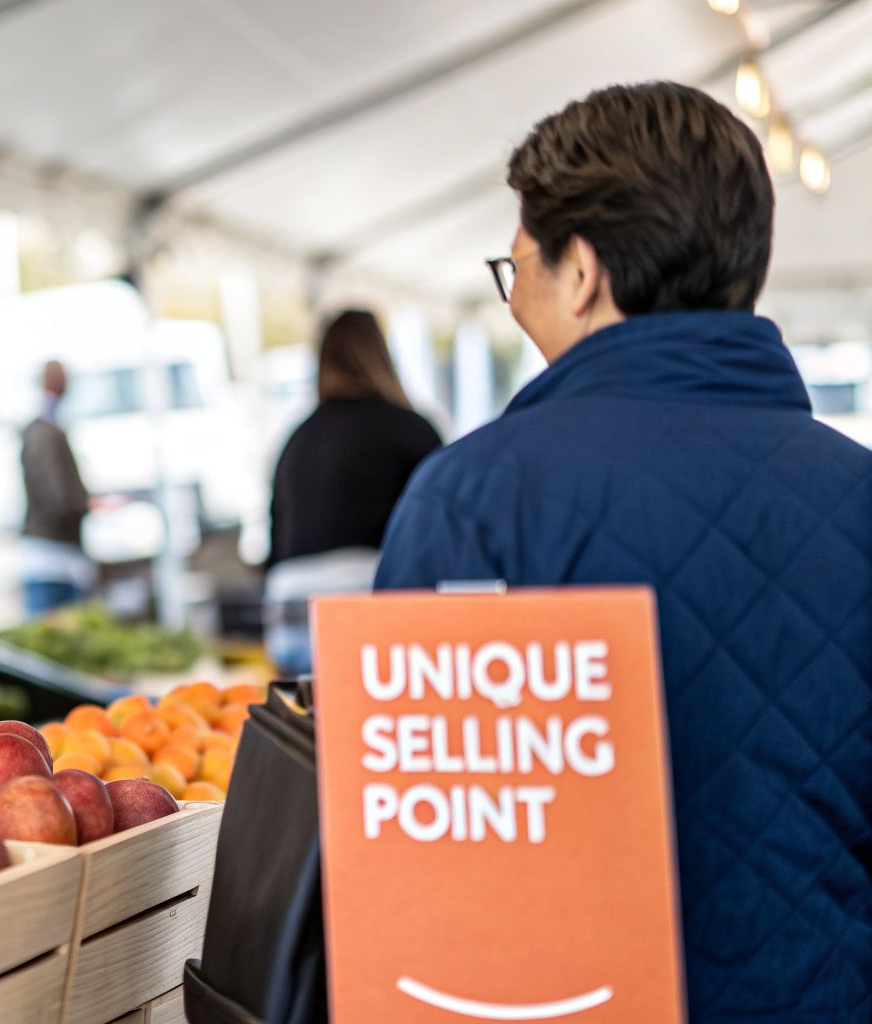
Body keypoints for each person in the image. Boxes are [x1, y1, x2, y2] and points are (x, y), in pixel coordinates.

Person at [375, 82, 870, 1020]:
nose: (514, 292)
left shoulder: (473, 503)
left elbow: (424, 868)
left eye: (518, 264)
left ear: (585, 273)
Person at [261, 311, 441, 673]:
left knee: (308, 724)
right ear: (382, 354)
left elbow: (275, 537)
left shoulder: (297, 437)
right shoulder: (410, 428)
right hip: (364, 603)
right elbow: (438, 532)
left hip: (289, 611)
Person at [19, 360, 94, 617]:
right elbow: (56, 495)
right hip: (52, 545)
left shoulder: (48, 424)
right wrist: (83, 505)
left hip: (53, 544)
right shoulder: (44, 430)